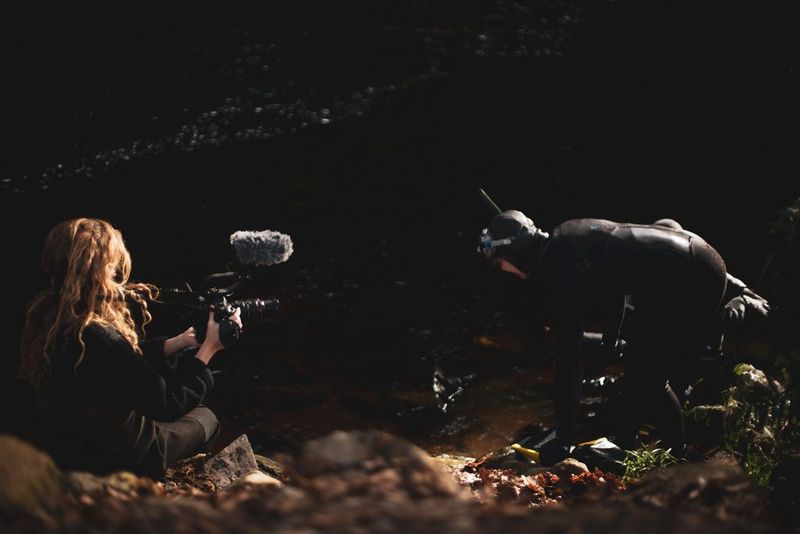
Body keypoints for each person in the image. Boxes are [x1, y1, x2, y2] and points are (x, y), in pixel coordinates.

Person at [477, 210, 729, 464]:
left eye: (500, 263)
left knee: (649, 376)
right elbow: (616, 284)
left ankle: (676, 459)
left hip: (693, 276)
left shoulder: (562, 266)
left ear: (513, 253)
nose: (503, 270)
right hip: (695, 258)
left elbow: (569, 361)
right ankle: (629, 449)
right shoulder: (566, 236)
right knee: (639, 366)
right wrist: (611, 340)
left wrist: (562, 441)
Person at [17, 218, 242, 479]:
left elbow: (118, 368)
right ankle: (164, 480)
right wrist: (208, 350)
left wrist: (178, 342)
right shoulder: (101, 338)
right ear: (99, 271)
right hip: (122, 456)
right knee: (206, 417)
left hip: (74, 449)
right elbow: (168, 404)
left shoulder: (52, 318)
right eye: (112, 268)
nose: (117, 277)